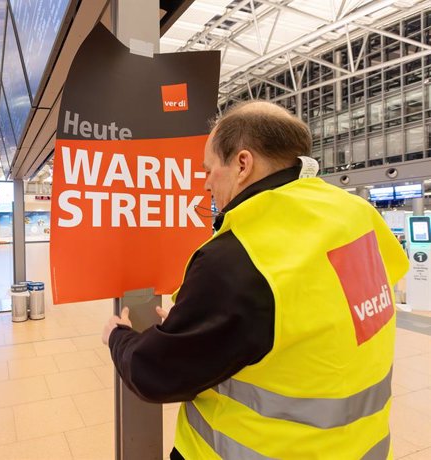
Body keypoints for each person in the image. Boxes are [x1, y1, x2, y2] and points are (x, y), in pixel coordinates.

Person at [101, 101, 409, 459]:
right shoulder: (358, 214)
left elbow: (156, 374)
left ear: (242, 164)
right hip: (360, 448)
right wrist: (211, 325)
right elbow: (321, 308)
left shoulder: (239, 254)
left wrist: (117, 337)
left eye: (209, 168)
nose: (204, 183)